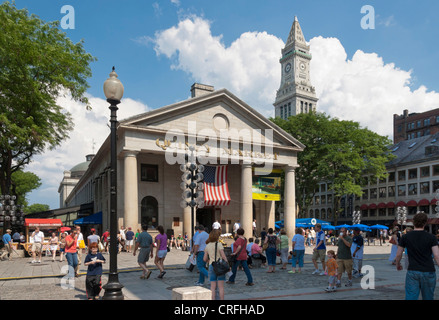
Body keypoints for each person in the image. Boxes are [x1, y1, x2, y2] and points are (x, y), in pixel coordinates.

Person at [396, 212, 439, 300]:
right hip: (428, 271)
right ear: (425, 222)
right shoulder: (432, 237)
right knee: (428, 297)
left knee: (411, 297)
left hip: (413, 271)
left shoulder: (405, 237)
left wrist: (398, 264)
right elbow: (436, 255)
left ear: (414, 222)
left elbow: (399, 253)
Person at [204, 229, 229, 300]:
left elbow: (204, 258)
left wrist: (209, 260)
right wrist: (227, 264)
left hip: (212, 266)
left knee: (212, 287)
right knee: (221, 287)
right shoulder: (219, 244)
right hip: (220, 266)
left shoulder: (207, 245)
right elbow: (223, 256)